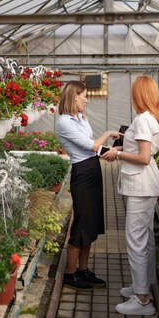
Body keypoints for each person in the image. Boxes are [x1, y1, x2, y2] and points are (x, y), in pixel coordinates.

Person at [102, 75, 159, 315]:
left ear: (139, 95)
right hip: (145, 184)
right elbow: (140, 151)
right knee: (145, 238)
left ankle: (142, 300)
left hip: (140, 185)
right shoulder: (151, 118)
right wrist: (120, 148)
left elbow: (144, 157)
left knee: (136, 241)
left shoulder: (142, 120)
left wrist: (116, 155)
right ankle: (144, 285)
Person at [56, 80, 120, 291]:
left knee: (91, 222)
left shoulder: (81, 118)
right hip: (82, 174)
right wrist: (109, 136)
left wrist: (106, 154)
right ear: (74, 96)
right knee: (82, 222)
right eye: (84, 95)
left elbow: (92, 149)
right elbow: (90, 145)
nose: (86, 99)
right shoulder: (64, 122)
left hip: (92, 169)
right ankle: (70, 273)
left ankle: (83, 270)